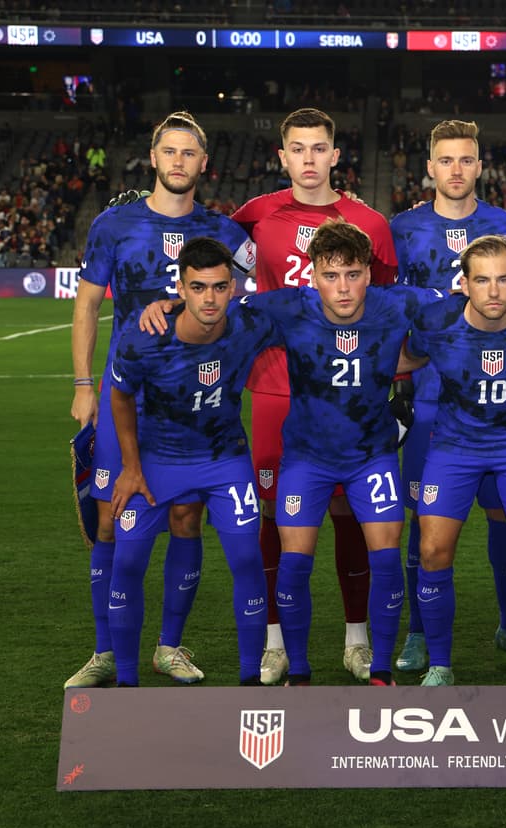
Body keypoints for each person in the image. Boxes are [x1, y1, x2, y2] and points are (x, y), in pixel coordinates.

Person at [64, 111, 255, 689]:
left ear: (203, 163)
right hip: (128, 396)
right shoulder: (113, 224)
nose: (178, 161)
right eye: (168, 151)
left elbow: (249, 299)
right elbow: (87, 306)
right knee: (108, 522)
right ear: (154, 158)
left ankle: (169, 646)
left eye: (188, 153)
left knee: (185, 515)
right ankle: (105, 651)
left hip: (197, 405)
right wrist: (82, 385)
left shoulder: (226, 234)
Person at [230, 108, 399, 685]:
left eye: (318, 148)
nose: (308, 158)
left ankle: (358, 638)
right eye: (297, 148)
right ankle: (277, 642)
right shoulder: (255, 215)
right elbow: (216, 276)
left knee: (354, 513)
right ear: (282, 156)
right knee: (275, 518)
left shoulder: (369, 223)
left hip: (350, 397)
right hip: (276, 387)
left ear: (334, 154)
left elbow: (387, 312)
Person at [239, 220, 439, 686]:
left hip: (371, 455)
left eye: (353, 273)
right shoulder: (289, 306)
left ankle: (382, 669)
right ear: (311, 277)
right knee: (294, 562)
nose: (343, 287)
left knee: (386, 558)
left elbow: (463, 302)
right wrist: (169, 307)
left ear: (370, 273)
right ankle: (301, 672)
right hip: (306, 457)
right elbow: (218, 311)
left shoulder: (399, 303)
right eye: (331, 276)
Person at [389, 119, 506, 674]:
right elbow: (383, 309)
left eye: (466, 160)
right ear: (429, 167)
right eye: (445, 160)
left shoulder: (503, 224)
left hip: (498, 407)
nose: (456, 170)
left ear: (480, 166)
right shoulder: (402, 228)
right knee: (422, 526)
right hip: (427, 402)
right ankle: (416, 634)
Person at [399, 235, 506, 687]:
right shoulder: (438, 320)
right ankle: (440, 664)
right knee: (432, 549)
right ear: (464, 284)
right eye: (482, 280)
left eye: (502, 279)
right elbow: (404, 357)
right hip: (453, 448)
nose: (493, 291)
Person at [107, 238, 277, 686]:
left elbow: (314, 302)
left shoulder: (250, 324)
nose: (210, 298)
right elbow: (120, 396)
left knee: (246, 558)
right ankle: (126, 682)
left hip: (225, 460)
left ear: (234, 287)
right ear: (180, 287)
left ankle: (248, 681)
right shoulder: (144, 337)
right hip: (158, 461)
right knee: (126, 562)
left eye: (220, 287)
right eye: (198, 287)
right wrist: (130, 466)